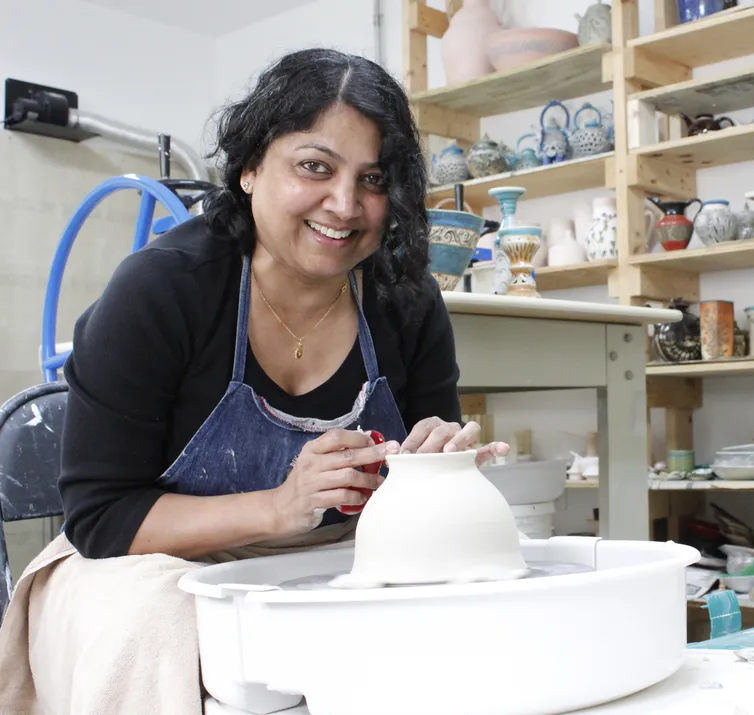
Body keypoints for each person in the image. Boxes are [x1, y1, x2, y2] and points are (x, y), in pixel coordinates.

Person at [0, 48, 507, 713]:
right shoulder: (160, 292)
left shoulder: (403, 299)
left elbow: (417, 485)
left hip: (325, 559)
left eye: (373, 179)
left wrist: (440, 469)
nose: (345, 204)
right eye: (315, 167)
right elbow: (101, 517)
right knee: (158, 621)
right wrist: (280, 505)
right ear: (249, 167)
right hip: (146, 567)